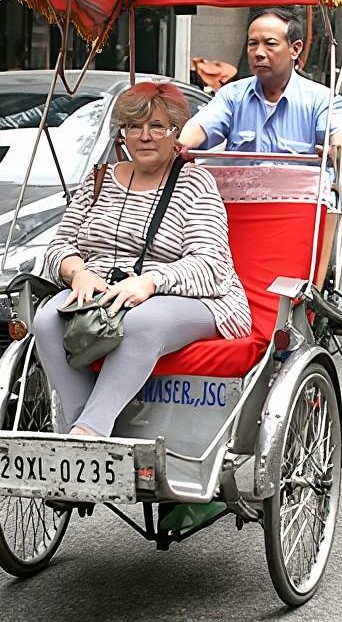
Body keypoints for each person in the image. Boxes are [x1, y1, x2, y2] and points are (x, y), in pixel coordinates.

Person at [36, 82, 251, 439]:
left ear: (175, 132)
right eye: (134, 127)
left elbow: (210, 263)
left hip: (194, 298)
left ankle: (91, 431)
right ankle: (77, 435)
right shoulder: (100, 180)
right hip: (104, 293)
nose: (144, 136)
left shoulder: (195, 182)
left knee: (139, 322)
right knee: (46, 321)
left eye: (157, 127)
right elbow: (60, 245)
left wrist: (149, 282)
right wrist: (78, 273)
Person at [179, 6, 342, 157]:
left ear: (295, 49)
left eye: (270, 44)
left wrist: (336, 152)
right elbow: (200, 127)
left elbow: (340, 142)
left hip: (302, 189)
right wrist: (179, 146)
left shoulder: (323, 101)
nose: (259, 53)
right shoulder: (232, 96)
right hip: (240, 187)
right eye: (253, 44)